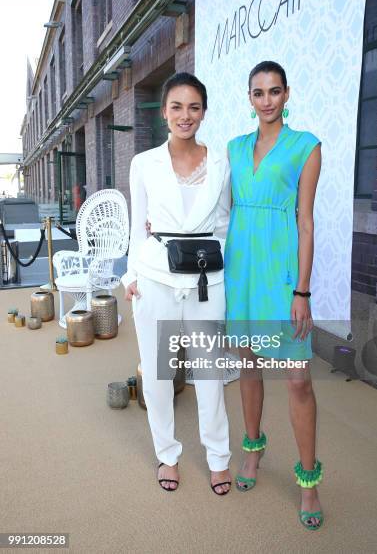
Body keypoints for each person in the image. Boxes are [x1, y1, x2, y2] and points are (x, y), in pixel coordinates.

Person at [224, 61, 323, 529]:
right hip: (242, 271)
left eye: (274, 91)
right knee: (249, 366)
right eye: (258, 92)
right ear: (249, 98)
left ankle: (309, 481)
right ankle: (252, 450)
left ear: (287, 95)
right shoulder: (234, 149)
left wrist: (301, 290)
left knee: (298, 379)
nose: (267, 100)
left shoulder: (306, 147)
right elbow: (217, 205)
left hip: (281, 273)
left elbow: (306, 222)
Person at [122, 72, 232, 495]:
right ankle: (168, 454)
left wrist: (220, 270)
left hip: (207, 280)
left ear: (203, 111)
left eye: (194, 107)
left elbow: (222, 224)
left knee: (209, 373)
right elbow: (138, 228)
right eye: (176, 106)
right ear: (164, 111)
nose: (185, 115)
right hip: (154, 280)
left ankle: (218, 458)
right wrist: (131, 275)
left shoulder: (221, 163)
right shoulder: (143, 163)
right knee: (157, 374)